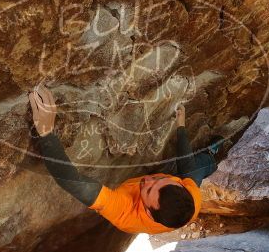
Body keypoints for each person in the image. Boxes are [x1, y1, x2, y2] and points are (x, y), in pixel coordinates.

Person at [28, 86, 220, 234]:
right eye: (160, 180)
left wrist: (47, 134)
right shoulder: (191, 196)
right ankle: (211, 157)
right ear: (180, 186)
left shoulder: (126, 214)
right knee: (199, 166)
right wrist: (181, 127)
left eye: (148, 189)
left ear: (149, 211)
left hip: (142, 211)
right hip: (188, 187)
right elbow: (187, 165)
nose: (148, 179)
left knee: (194, 168)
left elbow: (74, 184)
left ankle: (211, 158)